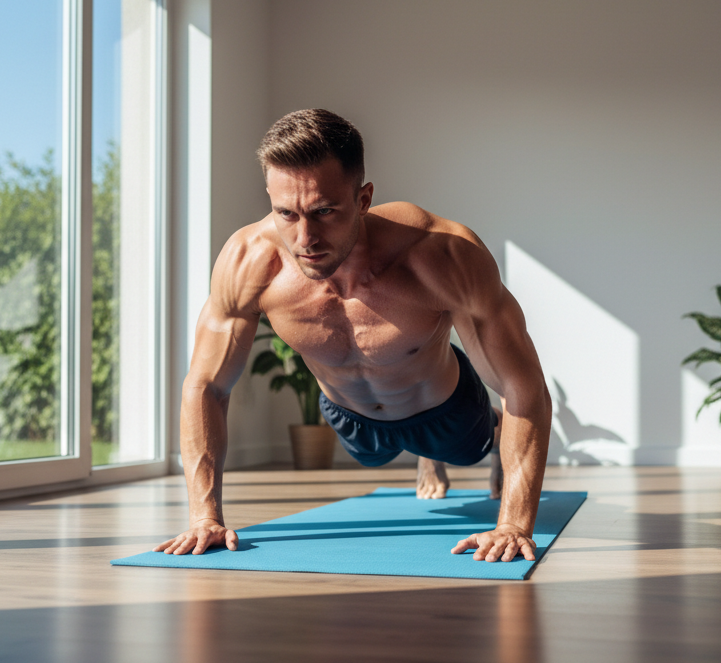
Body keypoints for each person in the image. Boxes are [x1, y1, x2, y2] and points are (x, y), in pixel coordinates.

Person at [155, 109, 552, 563]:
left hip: (445, 410)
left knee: (471, 447)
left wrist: (513, 523)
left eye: (324, 211)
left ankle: (455, 444)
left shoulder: (441, 255)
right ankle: (420, 456)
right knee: (370, 458)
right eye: (286, 213)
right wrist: (205, 517)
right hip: (350, 416)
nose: (305, 237)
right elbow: (205, 385)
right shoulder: (249, 261)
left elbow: (524, 385)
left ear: (363, 199)